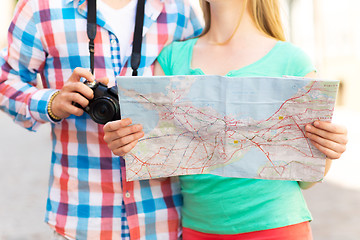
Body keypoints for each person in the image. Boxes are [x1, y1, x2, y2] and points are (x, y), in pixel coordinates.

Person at [103, 0, 348, 239]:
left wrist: (327, 150)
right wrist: (130, 145)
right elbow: (161, 168)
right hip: (198, 230)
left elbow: (307, 179)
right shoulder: (171, 58)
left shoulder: (293, 61)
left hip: (278, 227)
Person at [0, 0, 203, 239]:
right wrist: (53, 102)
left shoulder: (178, 11)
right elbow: (6, 81)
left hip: (163, 216)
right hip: (82, 219)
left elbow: (200, 95)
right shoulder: (40, 7)